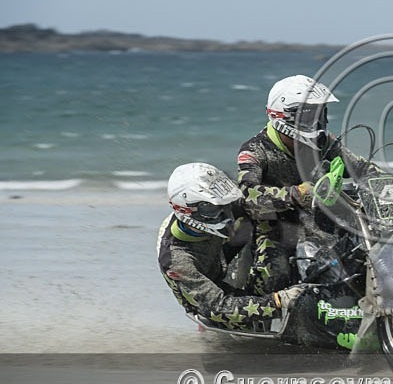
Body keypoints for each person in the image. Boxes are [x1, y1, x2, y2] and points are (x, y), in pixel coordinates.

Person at [236, 75, 379, 297]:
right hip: (274, 228)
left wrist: (391, 183)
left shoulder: (324, 143)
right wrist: (296, 194)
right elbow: (247, 196)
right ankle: (261, 311)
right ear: (284, 117)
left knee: (360, 253)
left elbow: (361, 168)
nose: (316, 123)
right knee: (277, 273)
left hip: (320, 222)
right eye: (308, 115)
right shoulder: (255, 151)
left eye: (319, 114)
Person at [157, 162, 300, 330]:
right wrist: (279, 301)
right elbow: (217, 306)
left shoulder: (219, 208)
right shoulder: (178, 261)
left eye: (224, 204)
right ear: (187, 210)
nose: (225, 212)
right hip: (212, 297)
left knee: (272, 220)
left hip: (222, 253)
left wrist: (297, 195)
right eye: (211, 208)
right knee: (248, 326)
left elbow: (252, 201)